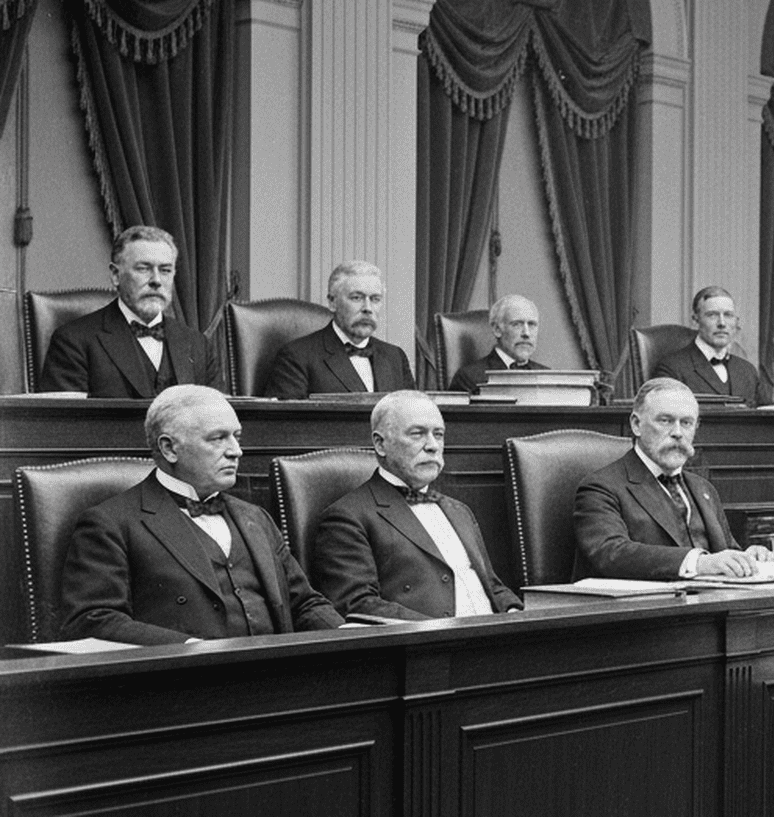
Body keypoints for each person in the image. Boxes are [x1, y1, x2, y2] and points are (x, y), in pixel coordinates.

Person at [58, 385, 343, 644]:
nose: (237, 451)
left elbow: (304, 604)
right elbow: (93, 621)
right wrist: (188, 650)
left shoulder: (256, 517)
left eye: (236, 437)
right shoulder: (110, 524)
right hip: (184, 687)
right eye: (218, 438)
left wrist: (353, 636)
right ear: (169, 449)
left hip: (277, 681)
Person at [311, 391, 522, 620]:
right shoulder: (347, 518)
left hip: (496, 640)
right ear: (381, 444)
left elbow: (493, 586)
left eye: (438, 434)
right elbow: (358, 605)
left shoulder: (459, 511)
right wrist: (440, 632)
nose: (432, 446)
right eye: (417, 434)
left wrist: (514, 613)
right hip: (429, 649)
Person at [573, 377, 774, 580]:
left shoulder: (703, 488)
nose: (677, 433)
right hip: (645, 608)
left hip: (708, 604)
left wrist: (747, 558)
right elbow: (612, 554)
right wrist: (697, 563)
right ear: (636, 424)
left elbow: (724, 553)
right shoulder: (601, 488)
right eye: (665, 421)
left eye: (686, 423)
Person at [38, 225, 222, 398]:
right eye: (143, 269)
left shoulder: (197, 344)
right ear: (115, 275)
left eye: (165, 270)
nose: (156, 280)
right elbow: (65, 426)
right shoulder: (73, 341)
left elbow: (219, 420)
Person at [264, 260, 414, 398]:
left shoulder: (395, 357)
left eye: (375, 299)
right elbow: (286, 425)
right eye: (357, 298)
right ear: (332, 303)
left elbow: (413, 418)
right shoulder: (296, 357)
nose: (368, 308)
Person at [651, 285, 767, 404]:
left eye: (728, 315)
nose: (722, 323)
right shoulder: (672, 369)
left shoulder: (748, 371)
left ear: (736, 322)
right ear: (695, 321)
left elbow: (765, 418)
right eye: (712, 315)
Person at [449, 294, 549, 394]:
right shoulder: (469, 378)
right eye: (517, 324)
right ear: (497, 330)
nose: (526, 333)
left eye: (532, 324)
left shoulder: (547, 377)